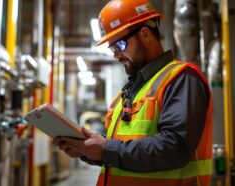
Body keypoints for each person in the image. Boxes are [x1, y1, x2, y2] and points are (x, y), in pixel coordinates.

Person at [53, 0, 212, 185]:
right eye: (111, 48)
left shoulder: (181, 79)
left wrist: (106, 149)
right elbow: (125, 153)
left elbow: (174, 148)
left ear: (145, 34)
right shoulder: (131, 91)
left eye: (119, 45)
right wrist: (88, 151)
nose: (115, 55)